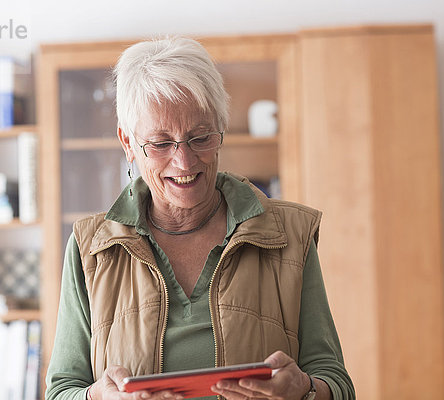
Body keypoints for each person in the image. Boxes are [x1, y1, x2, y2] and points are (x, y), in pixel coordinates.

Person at [45, 37, 355, 400]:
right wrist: (97, 396)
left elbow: (337, 383)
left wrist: (305, 389)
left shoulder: (289, 236)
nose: (185, 162)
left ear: (220, 130)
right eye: (161, 143)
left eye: (200, 137)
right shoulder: (90, 248)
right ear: (128, 142)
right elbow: (62, 390)